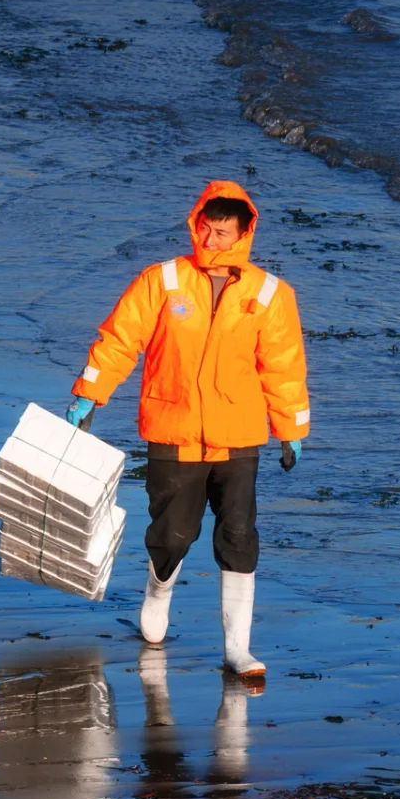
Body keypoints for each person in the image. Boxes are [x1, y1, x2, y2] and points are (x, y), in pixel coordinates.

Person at [66, 180, 310, 678]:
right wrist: (89, 394)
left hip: (238, 434)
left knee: (239, 534)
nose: (212, 239)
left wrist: (290, 427)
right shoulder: (162, 280)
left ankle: (237, 650)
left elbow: (283, 365)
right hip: (173, 428)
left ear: (244, 233)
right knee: (173, 534)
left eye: (222, 232)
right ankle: (158, 595)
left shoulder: (270, 293)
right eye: (206, 227)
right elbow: (120, 338)